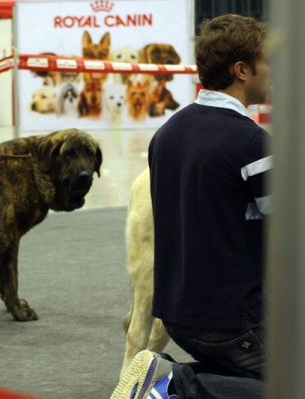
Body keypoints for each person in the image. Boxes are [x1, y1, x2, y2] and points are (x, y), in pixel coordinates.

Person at [111, 14, 271, 399]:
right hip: (234, 323)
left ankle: (172, 373)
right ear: (242, 70)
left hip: (177, 317)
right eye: (268, 62)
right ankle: (177, 385)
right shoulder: (252, 143)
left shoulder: (166, 135)